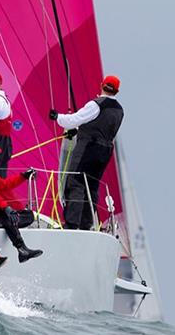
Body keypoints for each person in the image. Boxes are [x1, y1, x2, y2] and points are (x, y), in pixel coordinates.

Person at [49, 75, 124, 230]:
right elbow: (99, 126)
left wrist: (58, 117)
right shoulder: (120, 110)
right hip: (105, 151)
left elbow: (74, 119)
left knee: (76, 181)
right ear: (116, 91)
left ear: (101, 85)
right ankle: (86, 224)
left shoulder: (96, 104)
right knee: (92, 186)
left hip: (88, 147)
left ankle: (72, 223)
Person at [0, 141, 43, 263]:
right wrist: (6, 208)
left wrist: (23, 176)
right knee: (7, 216)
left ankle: (5, 225)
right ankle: (21, 248)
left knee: (29, 215)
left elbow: (3, 185)